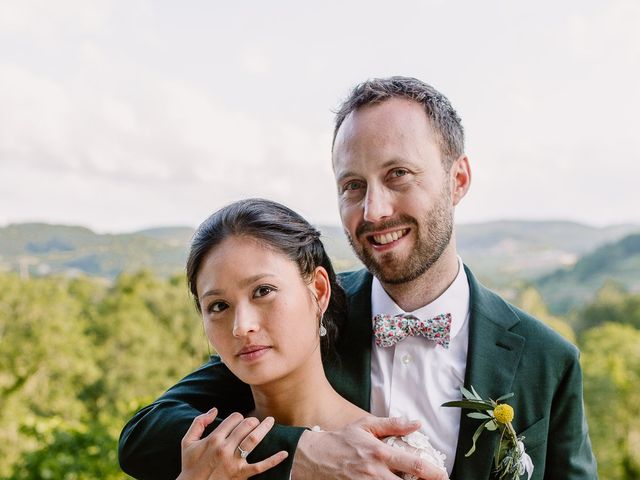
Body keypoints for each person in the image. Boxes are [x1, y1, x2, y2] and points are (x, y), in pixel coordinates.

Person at [119, 77, 597, 479]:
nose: (374, 210)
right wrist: (306, 454)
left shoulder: (548, 359)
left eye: (399, 174)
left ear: (458, 180)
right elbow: (148, 434)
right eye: (352, 186)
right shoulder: (301, 316)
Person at [174, 198, 447, 480]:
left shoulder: (389, 457)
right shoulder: (202, 452)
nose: (241, 327)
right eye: (218, 306)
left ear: (318, 290)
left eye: (263, 291)